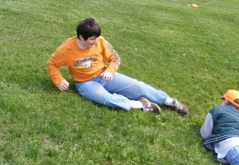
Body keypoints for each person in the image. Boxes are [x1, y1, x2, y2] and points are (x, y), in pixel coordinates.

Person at [47, 18, 189, 115]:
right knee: (105, 98)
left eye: (97, 38)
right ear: (81, 37)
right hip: (85, 82)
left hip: (104, 75)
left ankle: (170, 101)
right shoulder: (66, 50)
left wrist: (109, 70)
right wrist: (58, 80)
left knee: (138, 86)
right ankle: (141, 105)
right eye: (92, 39)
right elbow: (52, 64)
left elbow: (115, 58)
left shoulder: (101, 41)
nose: (96, 42)